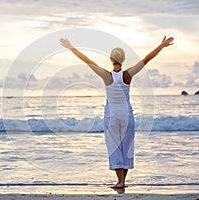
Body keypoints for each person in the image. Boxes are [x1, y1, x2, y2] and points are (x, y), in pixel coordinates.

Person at [60, 36, 174, 189]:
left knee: (115, 147)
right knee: (126, 148)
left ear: (110, 58)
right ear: (124, 59)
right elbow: (146, 59)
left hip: (112, 116)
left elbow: (86, 60)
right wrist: (161, 46)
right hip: (127, 115)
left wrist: (70, 47)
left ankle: (120, 181)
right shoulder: (127, 75)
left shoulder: (106, 75)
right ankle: (123, 181)